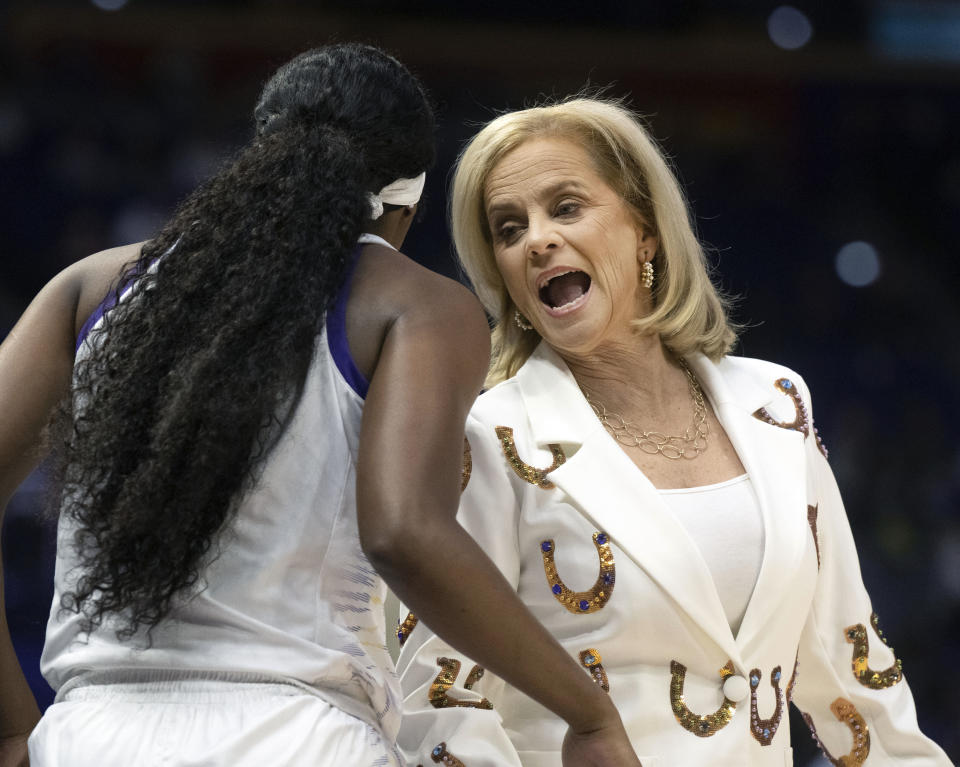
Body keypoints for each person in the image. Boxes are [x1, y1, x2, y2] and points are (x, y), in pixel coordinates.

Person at [0, 51, 642, 767]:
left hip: (88, 736)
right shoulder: (416, 303)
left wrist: (9, 727)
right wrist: (588, 713)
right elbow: (403, 533)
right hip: (298, 737)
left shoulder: (88, 289)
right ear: (404, 207)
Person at [395, 97, 954, 766]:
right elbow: (437, 697)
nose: (536, 239)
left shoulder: (776, 403)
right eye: (509, 228)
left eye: (566, 208)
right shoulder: (488, 437)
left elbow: (853, 667)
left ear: (645, 230)